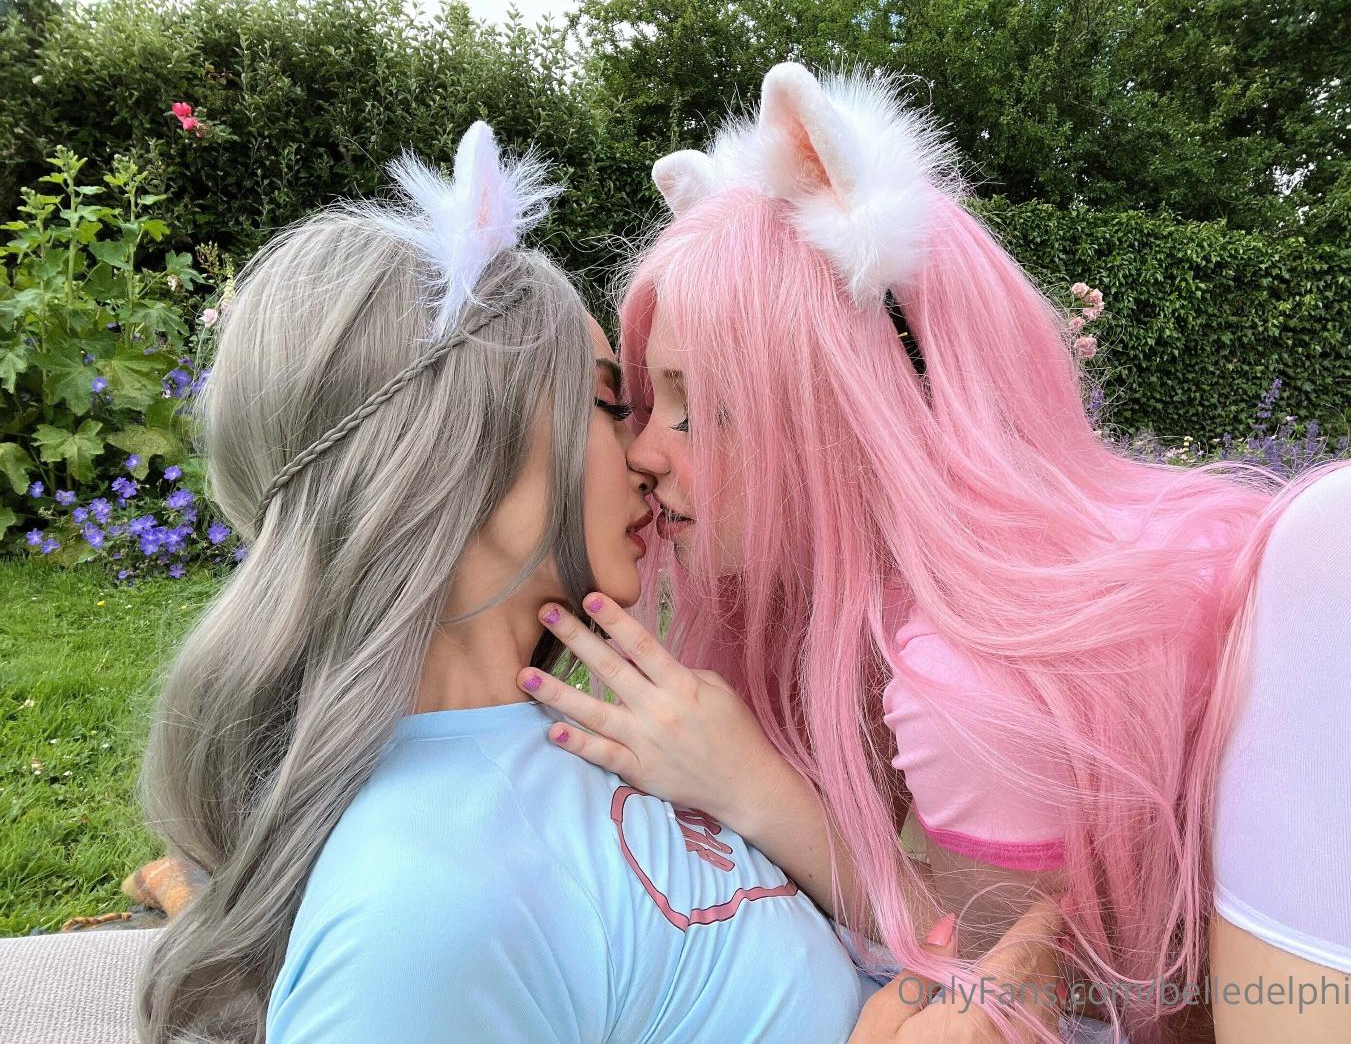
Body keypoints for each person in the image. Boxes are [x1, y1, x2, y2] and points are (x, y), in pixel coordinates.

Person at [515, 62, 1351, 1042]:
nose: (643, 452)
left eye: (702, 408)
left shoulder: (970, 680)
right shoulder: (1034, 585)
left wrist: (751, 787)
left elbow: (1021, 980)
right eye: (648, 401)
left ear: (856, 414)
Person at [132, 120, 1064, 1044]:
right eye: (613, 399)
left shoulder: (575, 739)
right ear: (460, 455)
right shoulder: (421, 908)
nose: (645, 451)